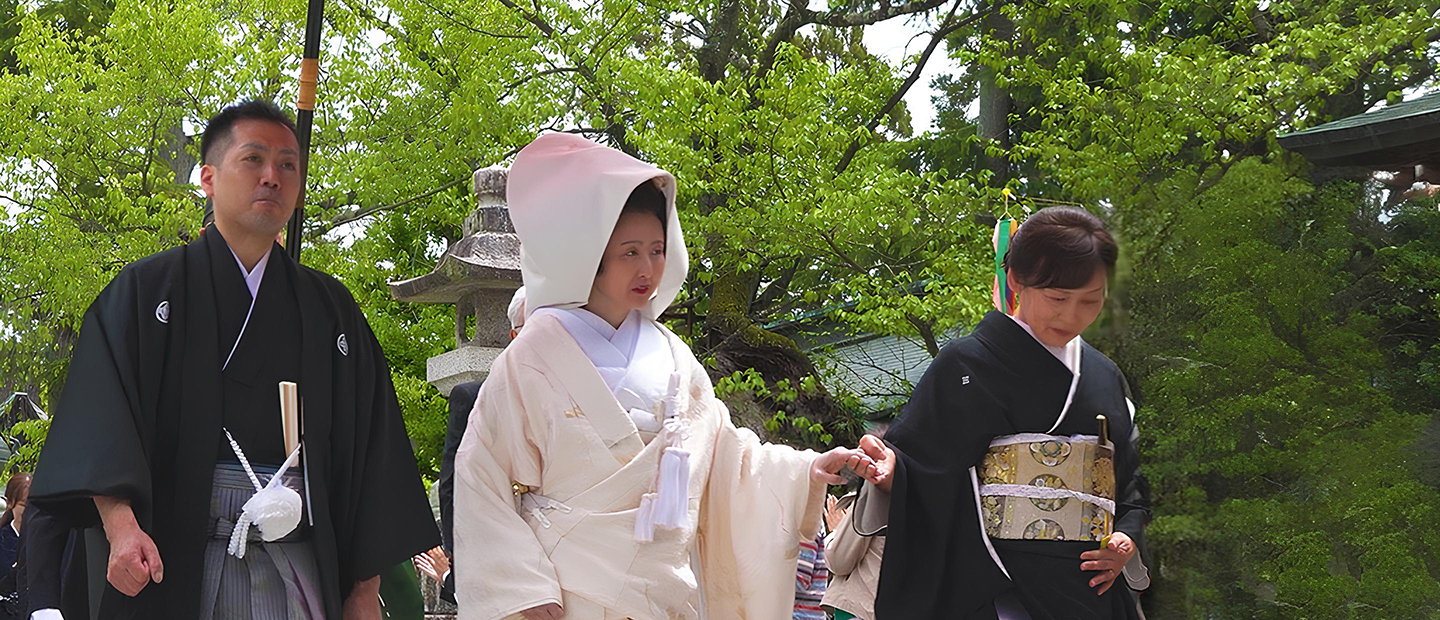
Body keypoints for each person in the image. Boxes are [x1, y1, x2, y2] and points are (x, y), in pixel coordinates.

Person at [28, 99, 440, 619]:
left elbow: (371, 450)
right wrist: (120, 526)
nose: (272, 176)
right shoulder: (145, 292)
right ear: (208, 178)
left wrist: (363, 589)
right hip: (174, 558)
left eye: (288, 164)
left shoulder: (331, 309)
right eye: (253, 159)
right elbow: (98, 423)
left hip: (298, 556)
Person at [453, 133, 880, 620]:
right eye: (630, 252)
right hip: (569, 593)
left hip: (668, 595)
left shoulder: (674, 355)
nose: (648, 268)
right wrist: (523, 588)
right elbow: (481, 477)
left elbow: (728, 457)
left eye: (657, 250)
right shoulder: (532, 356)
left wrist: (805, 470)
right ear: (589, 255)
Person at [859, 206, 1151, 619]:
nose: (1072, 316)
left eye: (1090, 300)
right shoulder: (967, 364)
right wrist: (893, 471)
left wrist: (1127, 535)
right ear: (1015, 280)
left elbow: (1130, 479)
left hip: (1089, 585)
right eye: (1057, 298)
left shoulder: (1105, 375)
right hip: (998, 582)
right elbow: (921, 465)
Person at [426, 286, 527, 607]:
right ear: (514, 335)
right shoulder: (472, 397)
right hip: (495, 543)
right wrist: (457, 564)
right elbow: (452, 482)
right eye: (533, 327)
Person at [0, 474, 29, 580]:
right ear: (9, 503)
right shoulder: (2, 540)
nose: (30, 511)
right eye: (24, 505)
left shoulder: (46, 540)